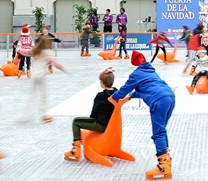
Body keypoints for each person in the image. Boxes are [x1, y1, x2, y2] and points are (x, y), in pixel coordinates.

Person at [110, 51, 176, 179]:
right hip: (170, 97)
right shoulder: (150, 71)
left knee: (158, 133)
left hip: (158, 100)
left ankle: (163, 166)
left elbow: (125, 88)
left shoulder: (136, 74)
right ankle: (166, 160)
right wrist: (131, 97)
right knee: (161, 130)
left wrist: (113, 98)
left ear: (134, 66)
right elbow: (146, 88)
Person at [64, 68, 117, 161]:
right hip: (111, 125)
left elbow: (94, 111)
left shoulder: (101, 95)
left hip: (101, 124)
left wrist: (91, 121)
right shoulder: (117, 93)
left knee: (76, 121)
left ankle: (76, 149)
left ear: (102, 82)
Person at [30, 34, 67, 124]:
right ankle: (44, 115)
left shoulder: (35, 50)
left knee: (32, 95)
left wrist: (19, 49)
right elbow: (55, 63)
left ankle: (26, 115)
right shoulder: (47, 52)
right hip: (41, 76)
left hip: (33, 75)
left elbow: (25, 52)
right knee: (43, 96)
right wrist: (64, 69)